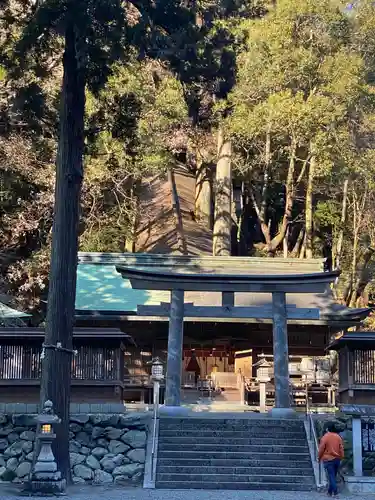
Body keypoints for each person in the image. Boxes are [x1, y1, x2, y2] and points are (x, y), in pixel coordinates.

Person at [318, 422, 344, 497]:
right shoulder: (338, 437)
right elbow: (341, 448)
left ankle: (335, 493)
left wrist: (319, 458)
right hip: (337, 459)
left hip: (328, 459)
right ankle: (329, 492)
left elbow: (321, 449)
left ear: (327, 429)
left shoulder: (325, 437)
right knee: (333, 476)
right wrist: (341, 457)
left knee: (331, 476)